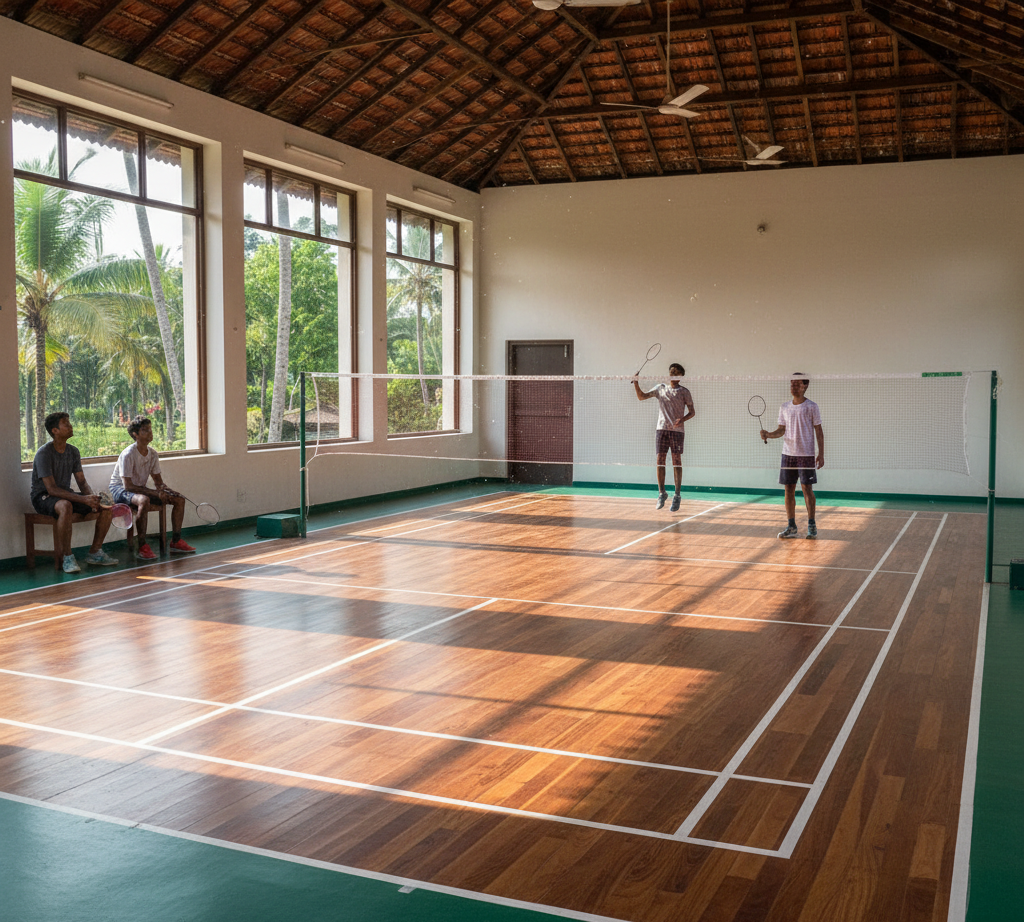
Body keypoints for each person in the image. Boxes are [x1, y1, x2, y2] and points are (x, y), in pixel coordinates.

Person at [30, 411, 118, 573]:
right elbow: (51, 489)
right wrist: (83, 500)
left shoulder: (73, 451)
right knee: (65, 506)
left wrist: (92, 499)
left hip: (65, 494)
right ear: (55, 430)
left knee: (105, 507)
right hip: (43, 497)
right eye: (66, 424)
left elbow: (82, 482)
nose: (71, 427)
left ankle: (95, 552)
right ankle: (67, 557)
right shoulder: (44, 453)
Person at [110, 416, 196, 559]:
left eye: (150, 429)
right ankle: (142, 546)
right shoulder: (128, 454)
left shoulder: (153, 454)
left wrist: (165, 490)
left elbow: (158, 482)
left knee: (179, 500)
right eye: (145, 430)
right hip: (120, 490)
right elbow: (128, 486)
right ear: (135, 435)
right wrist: (154, 493)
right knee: (144, 500)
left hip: (138, 489)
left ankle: (176, 541)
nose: (150, 433)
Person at [760, 373, 825, 538]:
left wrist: (821, 454)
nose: (793, 387)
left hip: (806, 454)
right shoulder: (784, 407)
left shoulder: (812, 406)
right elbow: (781, 430)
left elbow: (819, 431)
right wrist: (768, 434)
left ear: (805, 386)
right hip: (788, 454)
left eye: (797, 384)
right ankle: (791, 526)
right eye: (791, 384)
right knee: (788, 489)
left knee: (806, 489)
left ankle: (811, 524)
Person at [633, 362, 695, 511]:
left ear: (680, 377)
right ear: (669, 373)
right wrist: (636, 383)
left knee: (676, 461)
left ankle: (677, 495)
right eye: (672, 372)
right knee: (660, 460)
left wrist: (682, 419)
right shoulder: (660, 389)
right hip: (661, 430)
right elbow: (641, 397)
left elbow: (692, 412)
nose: (674, 375)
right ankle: (662, 493)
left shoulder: (684, 392)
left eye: (677, 373)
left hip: (677, 430)